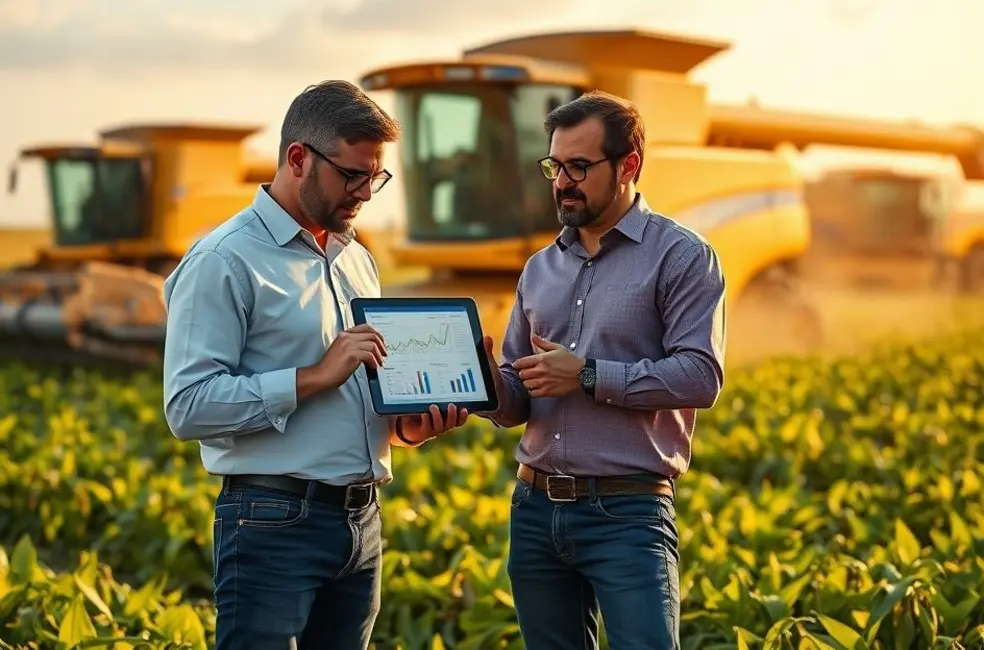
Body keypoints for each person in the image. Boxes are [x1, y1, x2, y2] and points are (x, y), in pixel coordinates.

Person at [161, 80, 469, 650]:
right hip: (272, 521)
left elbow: (355, 397)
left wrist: (405, 427)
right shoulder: (224, 259)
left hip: (362, 522)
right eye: (352, 174)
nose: (366, 192)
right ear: (298, 158)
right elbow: (187, 407)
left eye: (375, 176)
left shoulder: (356, 259)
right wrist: (315, 376)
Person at [477, 90, 726, 649]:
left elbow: (699, 374)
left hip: (628, 511)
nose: (562, 181)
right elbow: (520, 394)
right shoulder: (539, 268)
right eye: (554, 166)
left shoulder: (681, 255)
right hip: (534, 511)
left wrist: (586, 374)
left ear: (629, 165)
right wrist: (487, 385)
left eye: (579, 167)